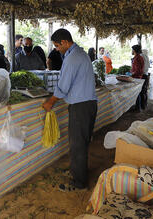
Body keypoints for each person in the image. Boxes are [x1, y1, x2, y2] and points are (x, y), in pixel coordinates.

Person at [42, 29, 97, 192]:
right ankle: (78, 171)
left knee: (77, 144)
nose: (57, 49)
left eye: (57, 45)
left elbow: (63, 87)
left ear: (65, 42)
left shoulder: (72, 58)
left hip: (80, 106)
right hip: (88, 104)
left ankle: (79, 183)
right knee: (82, 142)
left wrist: (51, 101)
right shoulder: (80, 53)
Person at [131, 45, 145, 112]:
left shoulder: (137, 58)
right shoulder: (139, 57)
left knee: (137, 92)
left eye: (132, 49)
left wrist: (131, 74)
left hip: (136, 77)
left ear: (134, 50)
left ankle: (138, 108)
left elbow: (138, 70)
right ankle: (138, 107)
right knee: (138, 92)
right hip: (139, 76)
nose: (132, 51)